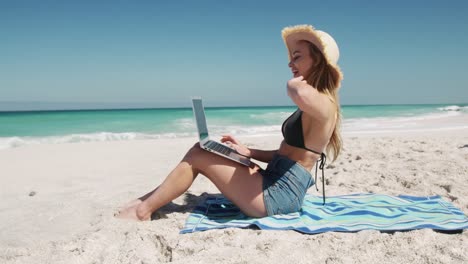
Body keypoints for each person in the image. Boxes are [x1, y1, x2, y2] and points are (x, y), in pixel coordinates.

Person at [117, 24, 343, 220]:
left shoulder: (325, 105)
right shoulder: (314, 105)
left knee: (198, 157)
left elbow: (297, 92)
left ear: (318, 60)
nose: (290, 63)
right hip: (273, 182)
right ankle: (147, 201)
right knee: (200, 149)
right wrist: (248, 151)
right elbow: (287, 155)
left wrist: (294, 83)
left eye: (297, 57)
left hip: (279, 197)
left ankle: (142, 211)